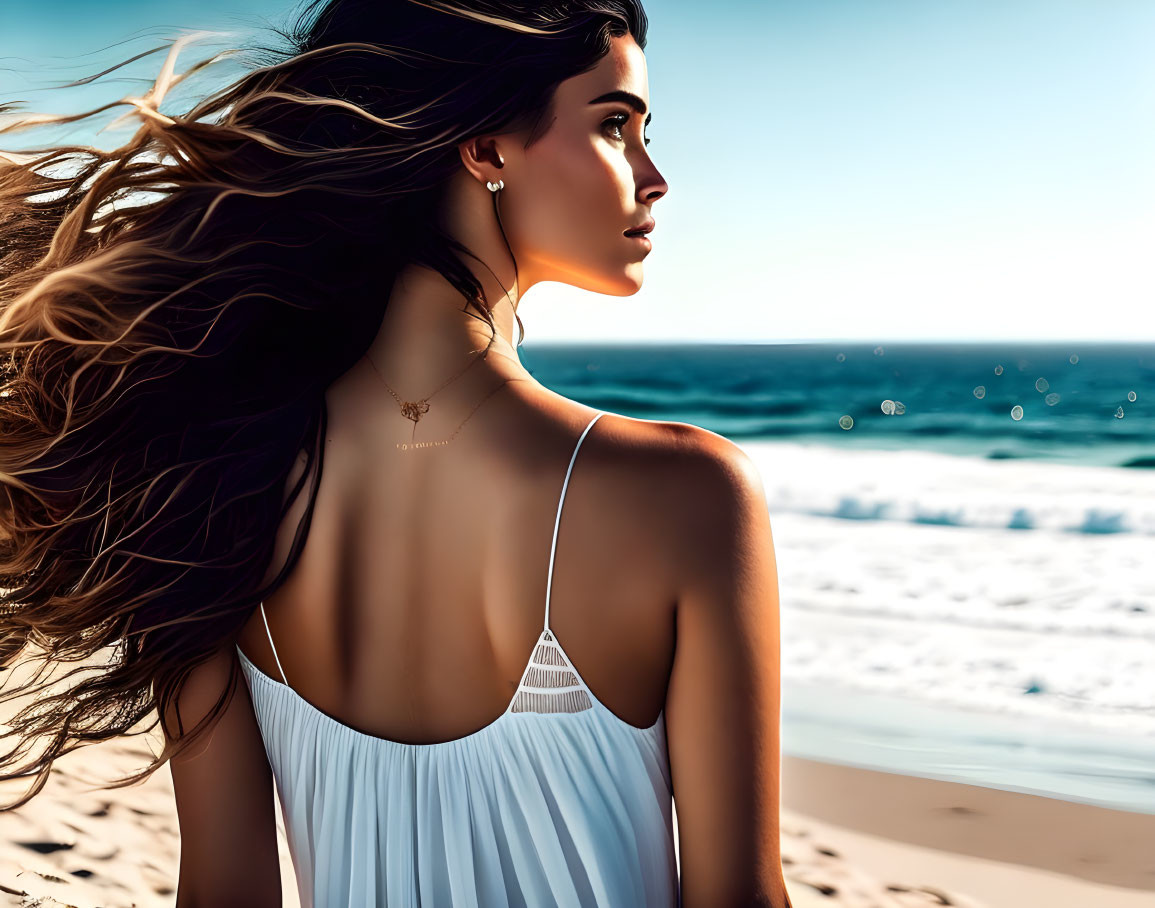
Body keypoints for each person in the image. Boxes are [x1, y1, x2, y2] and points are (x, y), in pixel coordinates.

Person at [0, 1, 790, 905]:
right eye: (615, 126)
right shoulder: (686, 494)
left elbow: (222, 890)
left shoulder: (201, 481)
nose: (653, 179)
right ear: (485, 149)